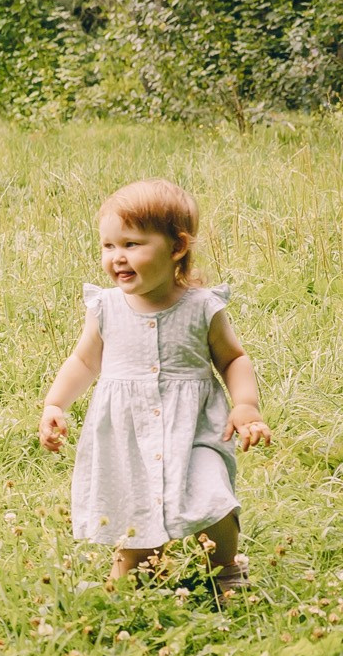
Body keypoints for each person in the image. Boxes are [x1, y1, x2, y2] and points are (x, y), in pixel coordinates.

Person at [37, 178, 271, 593]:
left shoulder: (202, 307)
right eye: (109, 246)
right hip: (128, 436)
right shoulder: (106, 308)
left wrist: (246, 405)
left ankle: (226, 569)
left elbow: (233, 358)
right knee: (133, 512)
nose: (117, 258)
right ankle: (145, 567)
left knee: (212, 493)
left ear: (177, 247)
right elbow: (84, 361)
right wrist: (56, 404)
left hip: (196, 428)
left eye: (131, 244)